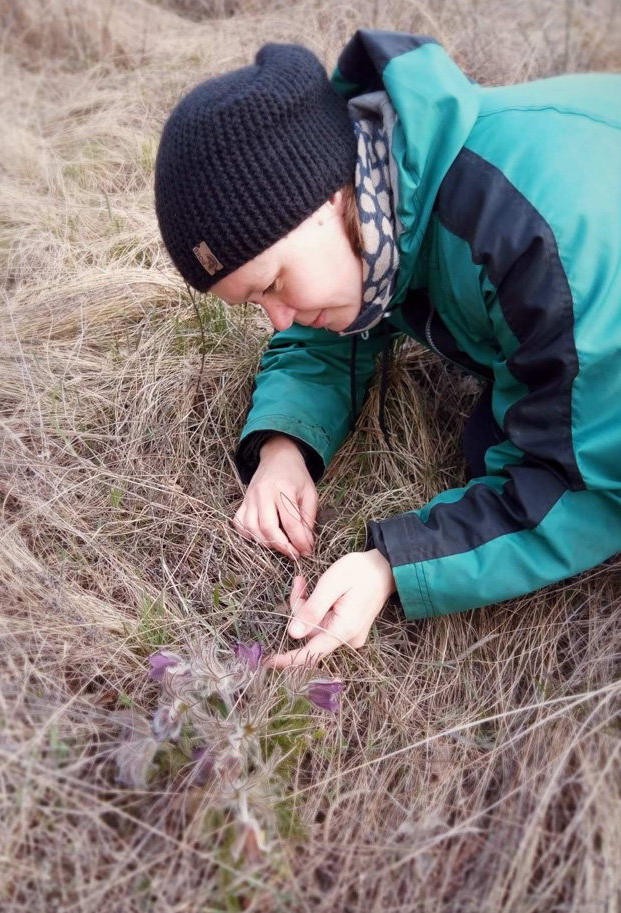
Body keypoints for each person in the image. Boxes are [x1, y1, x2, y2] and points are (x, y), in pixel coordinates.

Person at [154, 29, 621, 669]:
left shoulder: (545, 247)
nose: (278, 318)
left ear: (329, 196)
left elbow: (581, 481)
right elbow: (332, 323)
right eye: (256, 305)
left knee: (494, 447)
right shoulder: (387, 188)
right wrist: (284, 447)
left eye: (273, 285)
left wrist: (392, 565)